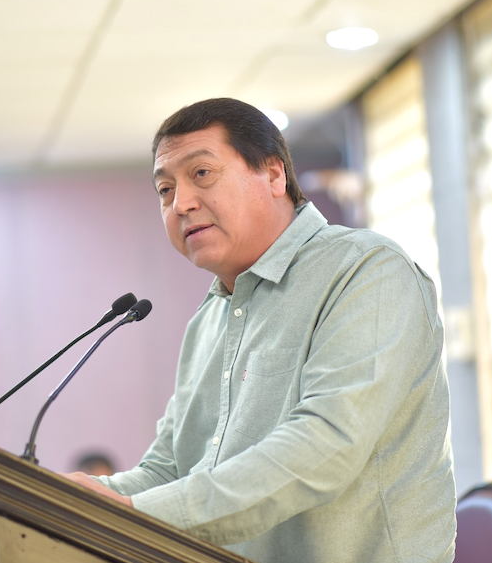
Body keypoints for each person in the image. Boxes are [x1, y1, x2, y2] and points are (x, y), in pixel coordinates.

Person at [64, 97, 457, 562]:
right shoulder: (209, 318)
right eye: (165, 190)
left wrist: (135, 512)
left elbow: (326, 446)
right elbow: (171, 468)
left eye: (202, 173)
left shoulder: (366, 271)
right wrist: (78, 497)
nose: (181, 203)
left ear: (273, 175)